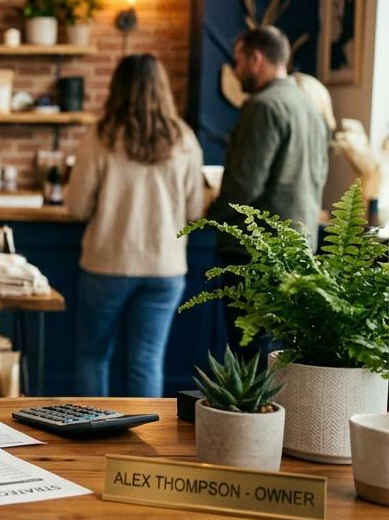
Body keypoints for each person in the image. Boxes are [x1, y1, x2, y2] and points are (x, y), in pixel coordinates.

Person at [65, 54, 205, 397]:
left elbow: (77, 206)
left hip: (107, 264)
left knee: (93, 355)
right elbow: (196, 210)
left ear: (117, 88)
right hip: (165, 266)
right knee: (146, 361)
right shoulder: (184, 139)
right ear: (163, 89)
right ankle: (145, 447)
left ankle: (90, 439)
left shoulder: (100, 137)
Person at [208, 26, 329, 359]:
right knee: (281, 355)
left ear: (256, 59)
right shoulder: (309, 107)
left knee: (251, 357)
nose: (235, 70)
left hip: (254, 252)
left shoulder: (262, 106)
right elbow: (320, 173)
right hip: (299, 249)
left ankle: (253, 415)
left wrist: (213, 213)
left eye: (238, 61)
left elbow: (245, 184)